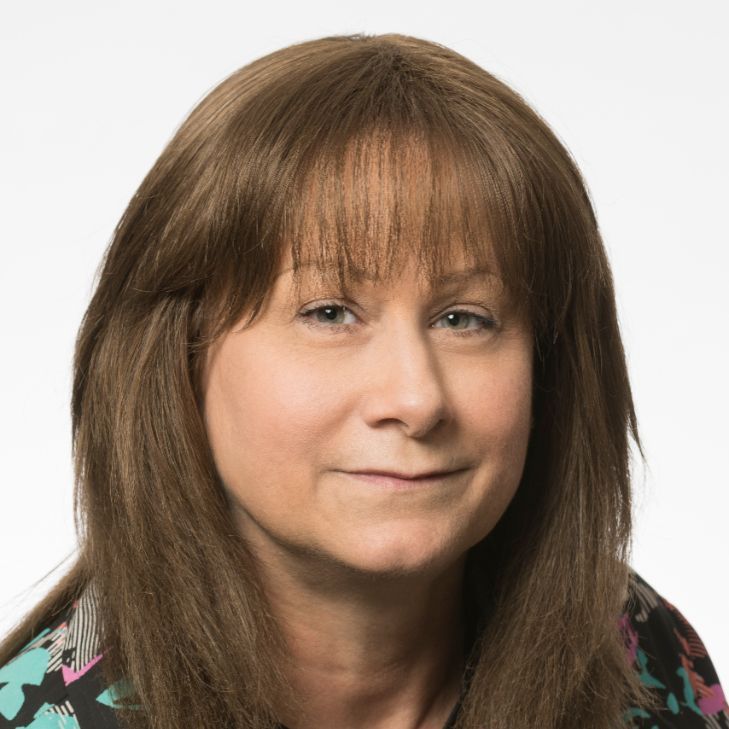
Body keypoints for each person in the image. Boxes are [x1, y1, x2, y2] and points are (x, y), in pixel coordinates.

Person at [0, 32, 726, 729]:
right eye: (328, 312)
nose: (415, 399)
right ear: (175, 361)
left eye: (464, 319)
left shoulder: (640, 656)